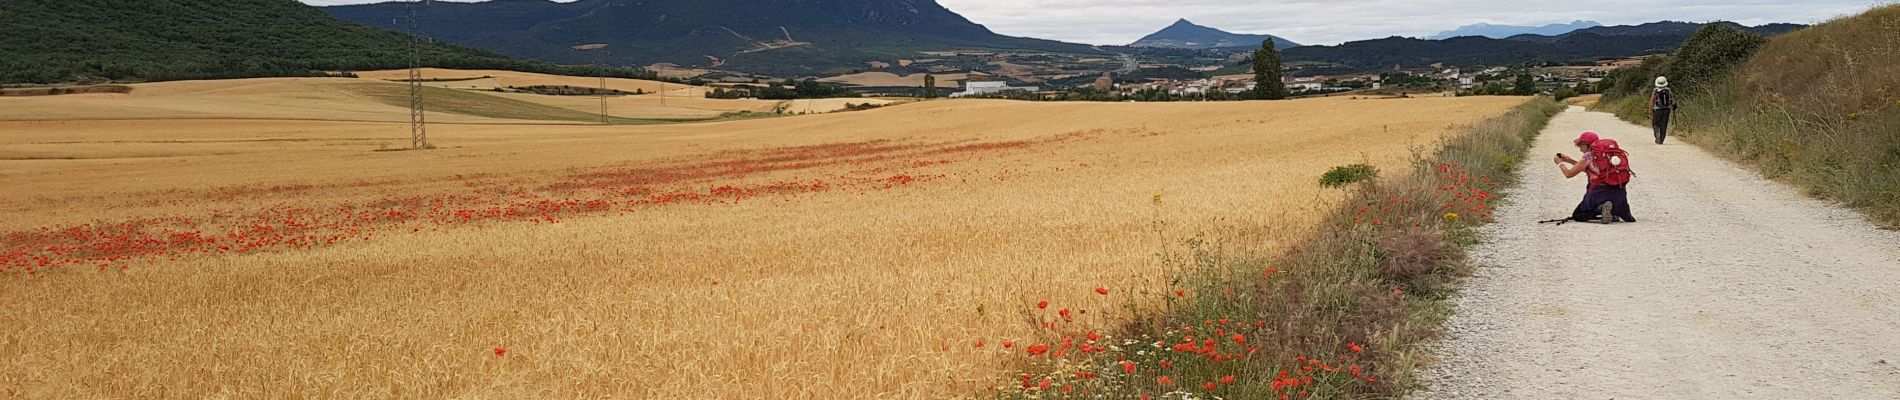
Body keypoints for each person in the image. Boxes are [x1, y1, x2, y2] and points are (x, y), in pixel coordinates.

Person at [1555, 132, 1636, 223]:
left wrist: (1560, 163)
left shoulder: (1589, 155)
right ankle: (1614, 212)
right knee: (1627, 218)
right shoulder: (1611, 154)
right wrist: (1569, 160)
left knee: (1578, 215)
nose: (1580, 149)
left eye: (1580, 145)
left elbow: (1568, 174)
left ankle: (1601, 209)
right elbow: (1592, 171)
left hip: (1598, 194)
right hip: (1619, 195)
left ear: (1587, 144)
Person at [1649, 76, 1677, 144]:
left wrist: (1650, 109)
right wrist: (1673, 108)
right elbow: (1672, 99)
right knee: (1664, 125)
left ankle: (1657, 135)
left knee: (1655, 124)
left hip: (1657, 110)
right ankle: (1661, 140)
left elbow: (1652, 100)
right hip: (1666, 109)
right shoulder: (1668, 89)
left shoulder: (1655, 90)